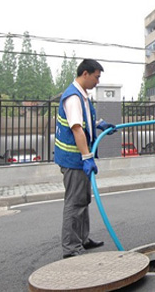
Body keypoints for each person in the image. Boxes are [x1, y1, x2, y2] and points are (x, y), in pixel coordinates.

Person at [55, 59, 117, 258]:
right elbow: (76, 128)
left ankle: (82, 239)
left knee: (83, 200)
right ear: (85, 74)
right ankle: (71, 247)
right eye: (96, 77)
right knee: (74, 202)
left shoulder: (82, 96)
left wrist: (100, 124)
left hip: (78, 159)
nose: (97, 82)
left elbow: (85, 120)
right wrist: (87, 157)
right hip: (74, 160)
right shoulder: (73, 97)